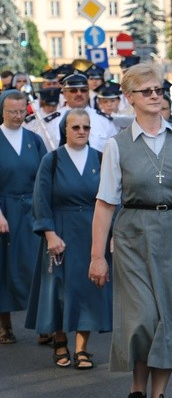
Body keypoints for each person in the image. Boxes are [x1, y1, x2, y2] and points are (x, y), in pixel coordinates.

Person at [88, 63, 172, 398]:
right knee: (143, 318)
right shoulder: (117, 145)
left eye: (160, 90)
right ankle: (136, 388)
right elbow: (104, 204)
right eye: (148, 91)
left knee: (168, 318)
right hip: (133, 236)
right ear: (129, 98)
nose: (156, 96)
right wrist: (98, 256)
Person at [25, 108, 113, 369]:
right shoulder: (51, 161)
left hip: (92, 231)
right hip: (60, 231)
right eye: (76, 127)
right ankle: (60, 340)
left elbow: (111, 199)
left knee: (88, 288)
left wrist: (112, 234)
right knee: (59, 289)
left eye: (86, 127)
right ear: (65, 130)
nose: (82, 131)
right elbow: (41, 200)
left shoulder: (100, 159)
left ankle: (82, 348)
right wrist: (50, 234)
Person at [0, 90, 47, 344]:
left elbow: (43, 177)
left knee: (36, 266)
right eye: (12, 112)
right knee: (4, 268)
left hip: (30, 209)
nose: (18, 117)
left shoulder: (33, 140)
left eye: (21, 111)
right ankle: (4, 325)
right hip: (4, 209)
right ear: (2, 111)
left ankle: (43, 325)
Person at [59, 71, 117, 152]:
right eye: (73, 90)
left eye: (83, 90)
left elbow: (114, 152)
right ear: (64, 93)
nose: (79, 94)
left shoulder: (104, 121)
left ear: (88, 92)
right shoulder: (53, 121)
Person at [24, 87, 62, 152]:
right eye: (48, 105)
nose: (51, 108)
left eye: (54, 105)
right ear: (42, 103)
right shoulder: (32, 120)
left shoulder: (62, 117)